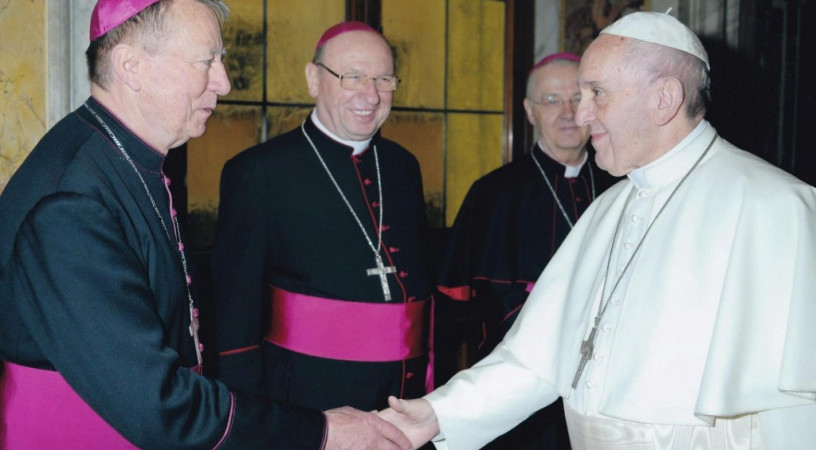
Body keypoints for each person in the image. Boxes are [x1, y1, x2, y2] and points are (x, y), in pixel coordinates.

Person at [379, 11, 816, 450]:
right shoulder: (608, 208)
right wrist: (439, 415)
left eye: (597, 94)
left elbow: (797, 406)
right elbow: (536, 359)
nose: (581, 114)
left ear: (664, 99)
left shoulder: (775, 208)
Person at [0, 1, 411, 449]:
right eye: (206, 61)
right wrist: (323, 432)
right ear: (131, 66)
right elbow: (156, 403)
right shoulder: (71, 202)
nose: (224, 82)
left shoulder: (125, 158)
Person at [211, 21, 434, 416]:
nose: (371, 95)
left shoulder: (403, 165)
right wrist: (250, 418)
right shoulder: (258, 173)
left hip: (405, 396)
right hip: (308, 403)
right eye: (353, 77)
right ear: (313, 79)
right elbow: (234, 317)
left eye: (384, 79)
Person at [437, 52, 617, 449]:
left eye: (577, 98)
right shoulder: (493, 193)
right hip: (519, 393)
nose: (568, 113)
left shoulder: (621, 186)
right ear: (529, 111)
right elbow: (457, 306)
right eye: (551, 100)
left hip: (608, 384)